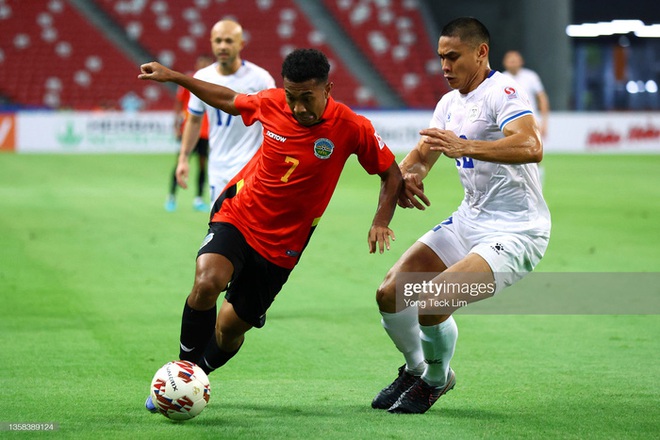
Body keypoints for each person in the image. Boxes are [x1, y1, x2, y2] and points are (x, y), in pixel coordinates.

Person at [138, 48, 402, 411]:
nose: (297, 107)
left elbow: (391, 173)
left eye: (306, 98)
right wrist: (176, 76)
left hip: (283, 247)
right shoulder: (271, 102)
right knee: (206, 282)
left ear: (328, 89)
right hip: (239, 214)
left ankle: (197, 372)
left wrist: (380, 221)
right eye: (292, 97)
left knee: (230, 329)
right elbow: (229, 99)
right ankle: (182, 372)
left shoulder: (352, 127)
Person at [372, 17, 551, 414]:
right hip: (469, 221)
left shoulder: (503, 91)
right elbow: (423, 154)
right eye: (441, 57)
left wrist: (465, 145)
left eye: (453, 57)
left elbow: (530, 144)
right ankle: (416, 369)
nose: (444, 66)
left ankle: (437, 381)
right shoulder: (449, 103)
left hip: (517, 231)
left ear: (481, 52)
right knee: (390, 294)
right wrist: (406, 176)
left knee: (433, 301)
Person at [175, 19, 276, 211]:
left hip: (252, 167)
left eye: (229, 41)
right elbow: (194, 120)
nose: (223, 46)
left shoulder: (261, 79)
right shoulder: (203, 79)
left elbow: (275, 121)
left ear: (241, 44)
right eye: (218, 40)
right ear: (211, 42)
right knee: (219, 224)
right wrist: (183, 158)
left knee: (250, 227)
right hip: (218, 168)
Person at [166, 54, 213, 212]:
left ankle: (198, 198)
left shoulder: (214, 83)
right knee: (181, 162)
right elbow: (179, 103)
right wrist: (176, 125)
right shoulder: (188, 80)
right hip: (190, 129)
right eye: (201, 63)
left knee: (202, 165)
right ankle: (171, 196)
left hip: (206, 132)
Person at [502, 50, 550, 138]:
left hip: (531, 120)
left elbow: (542, 98)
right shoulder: (501, 79)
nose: (513, 64)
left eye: (515, 61)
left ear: (521, 62)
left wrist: (544, 122)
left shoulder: (531, 77)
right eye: (510, 61)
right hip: (508, 120)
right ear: (505, 63)